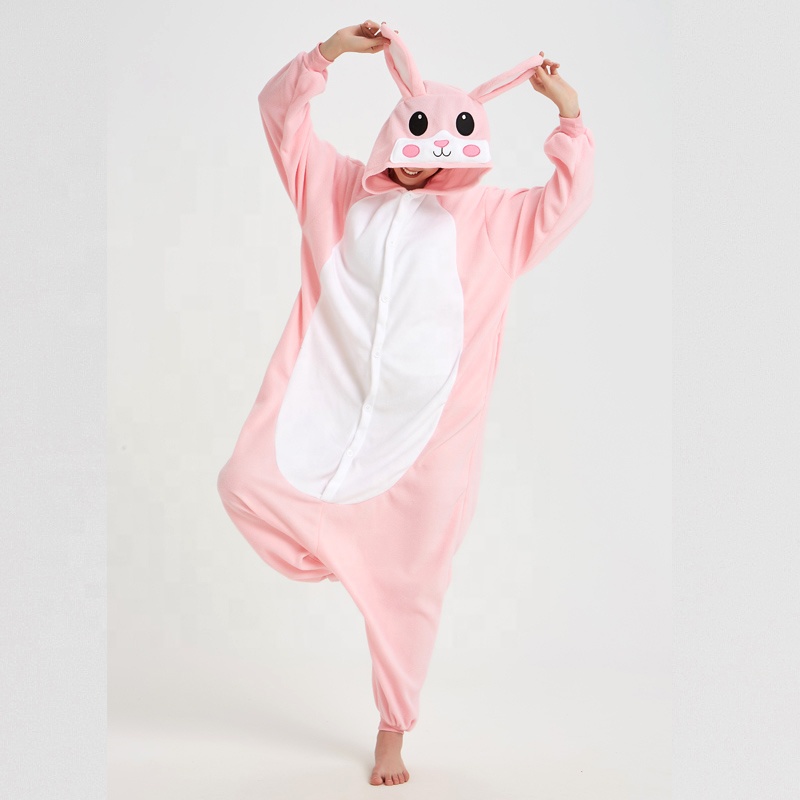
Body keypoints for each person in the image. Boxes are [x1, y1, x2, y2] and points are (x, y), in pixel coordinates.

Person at [217, 19, 594, 786]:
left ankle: (393, 729)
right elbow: (280, 116)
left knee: (413, 591)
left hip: (429, 442)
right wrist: (325, 56)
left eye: (448, 149)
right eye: (418, 140)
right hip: (330, 411)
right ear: (397, 130)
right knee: (244, 483)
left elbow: (564, 202)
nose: (427, 161)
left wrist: (569, 117)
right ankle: (348, 557)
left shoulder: (493, 220)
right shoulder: (332, 187)